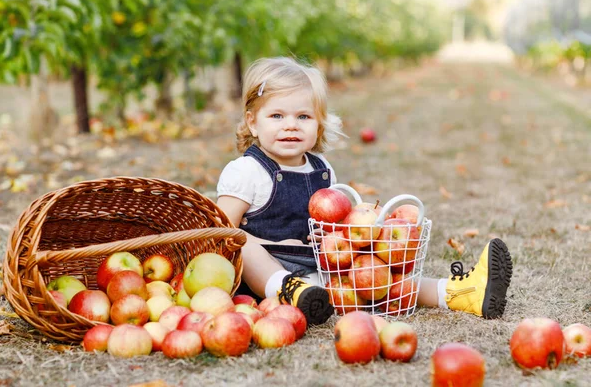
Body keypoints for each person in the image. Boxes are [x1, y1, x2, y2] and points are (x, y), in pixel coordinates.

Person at [216, 56, 513, 326]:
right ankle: (289, 291)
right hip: (264, 275)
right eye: (277, 116)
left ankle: (458, 292)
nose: (290, 126)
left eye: (303, 117)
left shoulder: (321, 169)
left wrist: (369, 235)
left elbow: (339, 227)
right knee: (241, 243)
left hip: (321, 269)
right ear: (253, 123)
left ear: (318, 124)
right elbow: (219, 233)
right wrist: (269, 243)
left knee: (379, 277)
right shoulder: (247, 172)